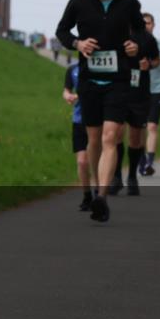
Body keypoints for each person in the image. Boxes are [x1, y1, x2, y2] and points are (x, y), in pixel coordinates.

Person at [56, 0, 145, 222]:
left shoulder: (128, 1)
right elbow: (62, 31)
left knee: (110, 137)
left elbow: (140, 31)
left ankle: (102, 197)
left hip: (118, 79)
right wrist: (78, 44)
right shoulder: (79, 1)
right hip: (89, 81)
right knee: (94, 139)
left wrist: (135, 44)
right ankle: (97, 187)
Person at [123, 23, 160, 194]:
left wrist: (149, 65)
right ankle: (115, 176)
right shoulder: (113, 30)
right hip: (116, 89)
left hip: (139, 91)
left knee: (135, 136)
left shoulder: (147, 38)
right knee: (114, 134)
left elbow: (156, 59)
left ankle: (131, 176)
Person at [63, 62, 96, 211]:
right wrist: (68, 96)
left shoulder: (100, 66)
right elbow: (66, 90)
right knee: (82, 162)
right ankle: (87, 196)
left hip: (97, 121)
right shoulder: (72, 69)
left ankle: (99, 194)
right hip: (79, 120)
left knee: (96, 160)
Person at [140, 12, 160, 176]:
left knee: (152, 125)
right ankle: (142, 158)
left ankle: (150, 161)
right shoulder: (134, 42)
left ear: (154, 25)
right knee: (140, 127)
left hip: (157, 87)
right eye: (143, 23)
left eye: (149, 23)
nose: (146, 25)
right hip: (139, 89)